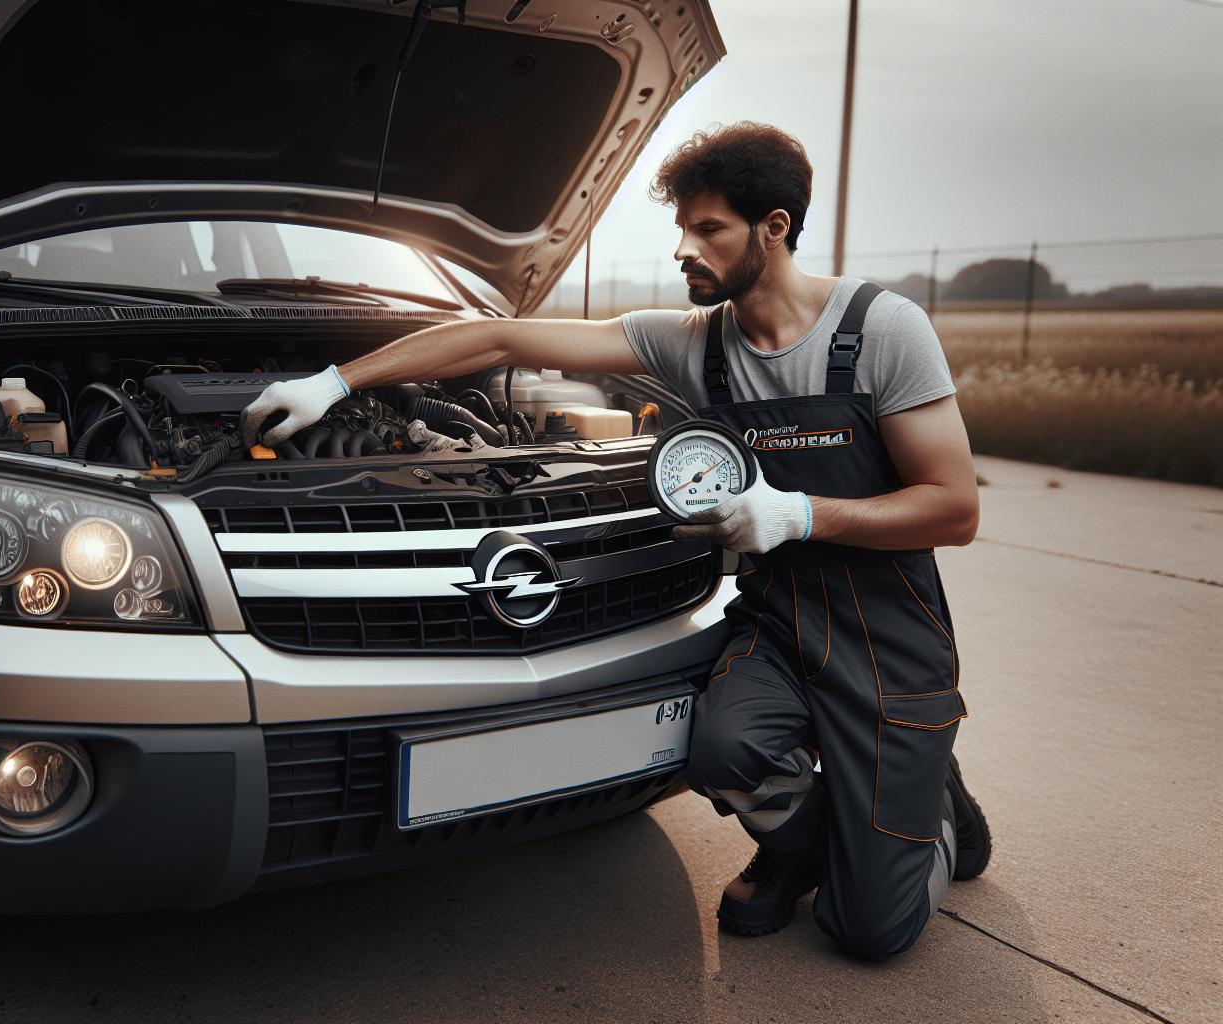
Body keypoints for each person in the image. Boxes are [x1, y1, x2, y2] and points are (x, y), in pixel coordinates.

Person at [240, 121, 992, 960]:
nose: (683, 249)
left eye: (707, 229)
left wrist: (801, 514)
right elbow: (500, 337)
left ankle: (937, 815)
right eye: (682, 228)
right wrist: (336, 382)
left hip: (890, 636)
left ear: (773, 228)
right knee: (717, 749)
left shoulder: (882, 332)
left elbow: (954, 509)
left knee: (869, 933)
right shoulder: (693, 344)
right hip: (780, 624)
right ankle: (801, 848)